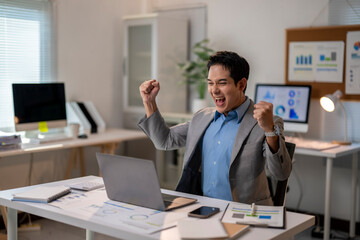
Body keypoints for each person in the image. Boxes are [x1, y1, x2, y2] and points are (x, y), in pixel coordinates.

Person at [138, 51, 291, 205]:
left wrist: (269, 130)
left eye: (222, 83)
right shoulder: (202, 118)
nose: (214, 90)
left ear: (241, 84)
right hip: (202, 208)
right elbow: (164, 141)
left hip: (244, 212)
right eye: (211, 83)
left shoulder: (266, 122)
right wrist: (149, 102)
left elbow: (281, 173)